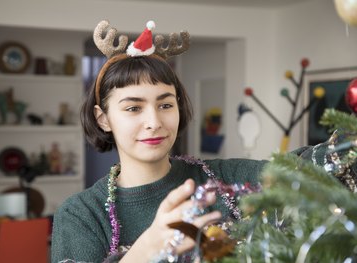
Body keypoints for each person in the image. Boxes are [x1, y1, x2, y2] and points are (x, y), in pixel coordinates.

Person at [51, 20, 267, 263]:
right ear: (103, 119)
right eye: (133, 108)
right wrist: (145, 251)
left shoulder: (229, 179)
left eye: (165, 105)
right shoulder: (80, 215)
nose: (154, 122)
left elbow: (308, 165)